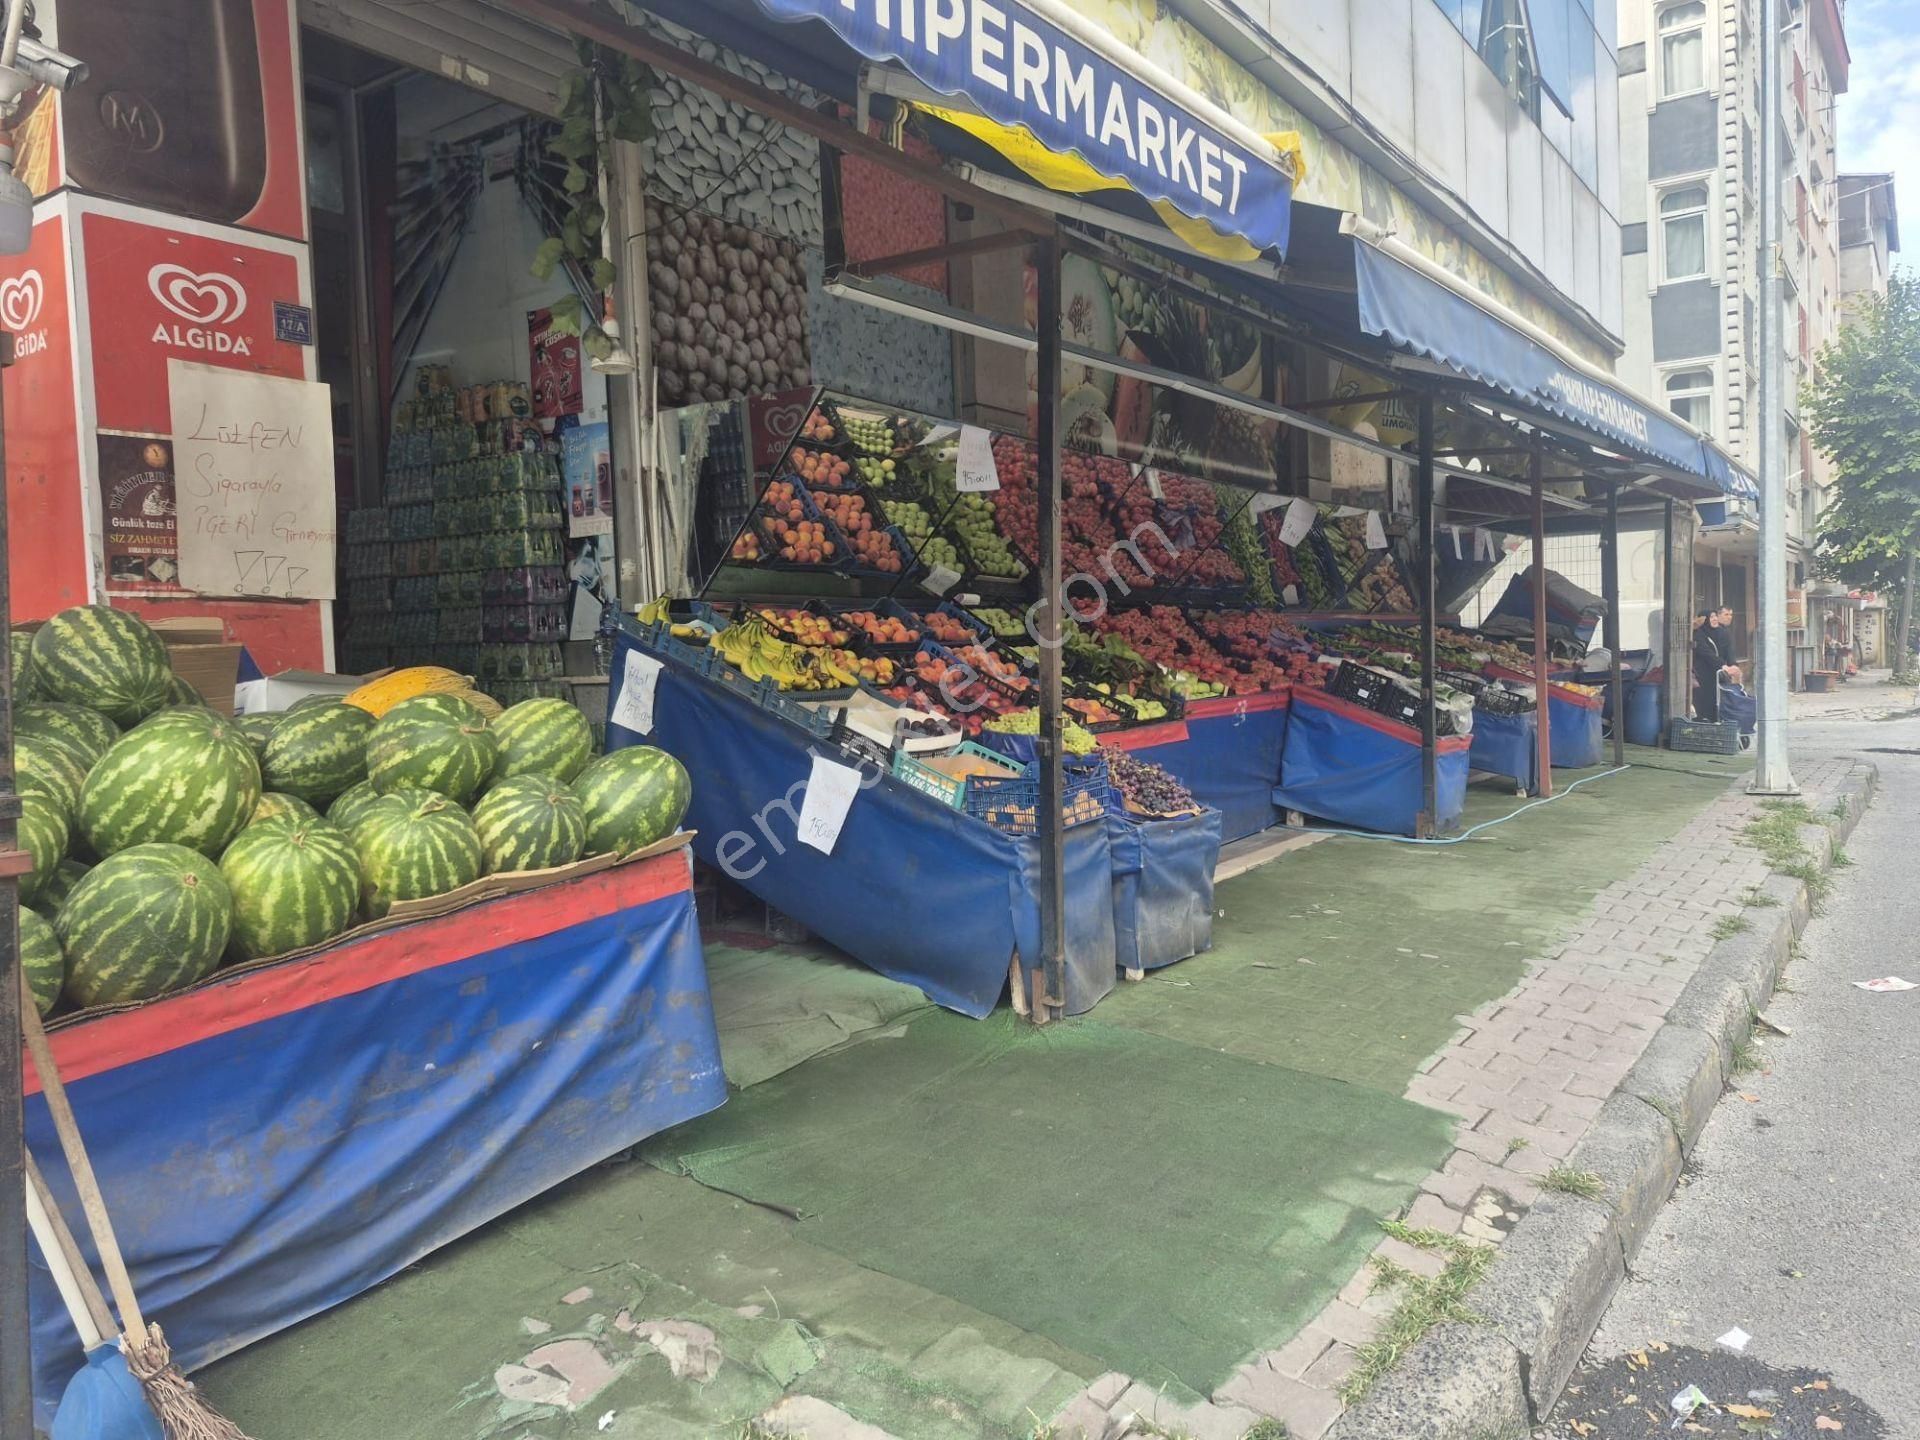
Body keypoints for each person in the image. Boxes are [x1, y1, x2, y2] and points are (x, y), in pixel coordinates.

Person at [1693, 608, 1729, 720]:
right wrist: (1722, 664)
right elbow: (1705, 652)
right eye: (1711, 617)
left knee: (1716, 699)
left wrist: (1731, 665)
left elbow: (1728, 650)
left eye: (1715, 616)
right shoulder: (1698, 634)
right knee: (1704, 701)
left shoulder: (1720, 632)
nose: (1714, 619)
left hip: (1715, 673)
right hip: (1703, 673)